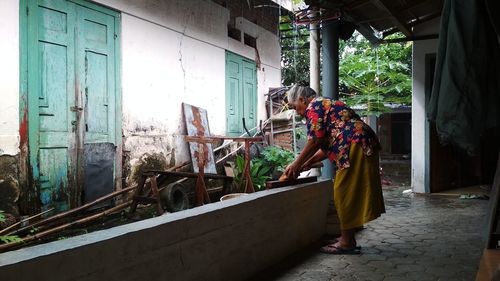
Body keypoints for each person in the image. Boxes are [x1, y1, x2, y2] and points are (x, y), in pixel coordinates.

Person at [282, 83, 385, 254]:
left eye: (295, 107)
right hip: (360, 142)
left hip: (354, 144)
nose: (297, 112)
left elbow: (315, 141)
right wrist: (306, 163)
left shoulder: (313, 106)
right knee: (346, 190)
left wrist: (296, 164)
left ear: (302, 99)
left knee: (342, 190)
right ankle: (347, 237)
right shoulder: (323, 104)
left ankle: (346, 242)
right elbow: (323, 145)